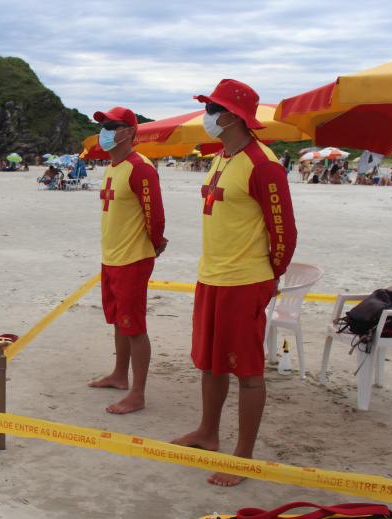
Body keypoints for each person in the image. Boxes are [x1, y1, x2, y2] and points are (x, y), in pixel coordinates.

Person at [171, 79, 296, 487]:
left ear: (232, 116)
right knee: (209, 360)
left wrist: (270, 278)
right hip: (212, 275)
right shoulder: (223, 155)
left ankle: (243, 454)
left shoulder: (264, 164)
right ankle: (208, 433)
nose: (207, 114)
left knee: (247, 368)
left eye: (212, 108)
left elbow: (284, 232)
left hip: (245, 281)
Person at [87, 106, 167, 414]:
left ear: (130, 132)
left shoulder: (141, 167)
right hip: (111, 257)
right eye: (103, 125)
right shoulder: (112, 166)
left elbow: (155, 216)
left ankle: (138, 392)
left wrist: (155, 244)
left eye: (112, 125)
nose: (105, 130)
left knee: (134, 325)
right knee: (120, 320)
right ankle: (120, 375)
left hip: (132, 259)